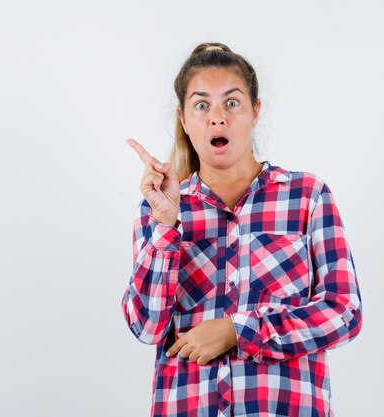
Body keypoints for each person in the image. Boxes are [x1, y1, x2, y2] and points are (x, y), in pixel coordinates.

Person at [121, 42, 363, 417]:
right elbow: (147, 327)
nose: (217, 117)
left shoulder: (307, 196)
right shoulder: (158, 208)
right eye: (202, 105)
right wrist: (167, 224)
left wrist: (239, 331)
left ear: (255, 111)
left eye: (232, 102)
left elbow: (344, 312)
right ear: (184, 119)